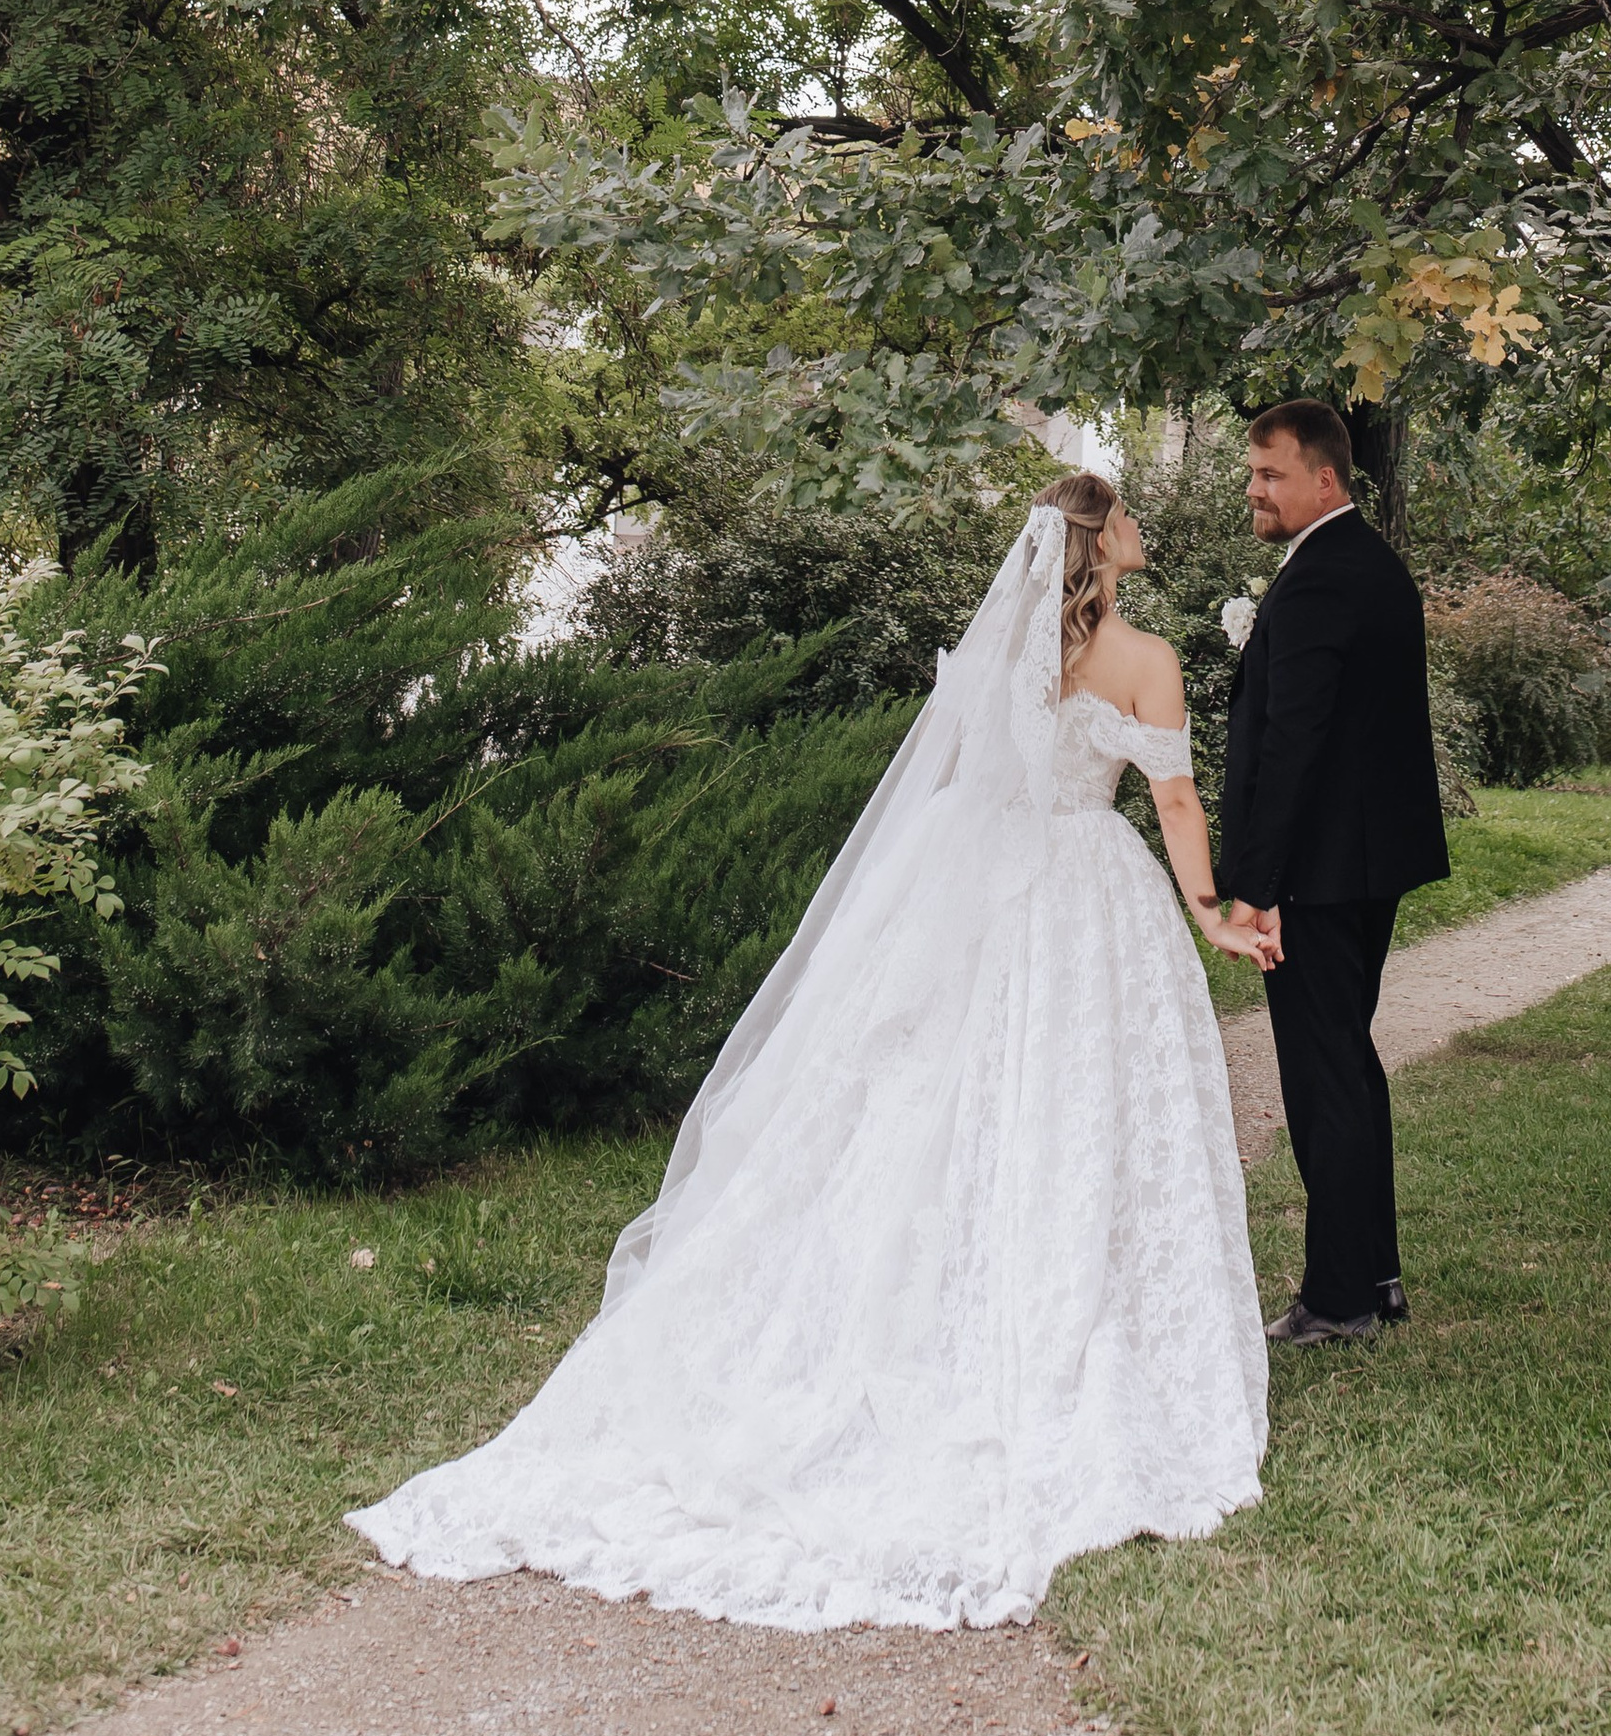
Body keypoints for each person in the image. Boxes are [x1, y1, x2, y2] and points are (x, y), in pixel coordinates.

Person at [348, 473, 1272, 1629]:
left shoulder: (995, 661)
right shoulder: (1144, 660)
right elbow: (1176, 805)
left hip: (979, 889)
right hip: (1085, 893)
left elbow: (963, 781)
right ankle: (1047, 1314)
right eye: (1126, 515)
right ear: (1102, 540)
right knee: (1070, 1107)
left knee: (937, 1101)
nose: (1140, 528)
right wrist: (1210, 912)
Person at [1215, 399, 1449, 1345]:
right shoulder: (1371, 566)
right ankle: (1375, 1274)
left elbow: (1294, 741)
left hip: (1316, 870)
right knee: (1347, 1062)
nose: (1254, 489)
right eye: (1252, 473)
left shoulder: (1319, 580)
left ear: (1325, 478)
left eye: (1270, 474)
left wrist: (1256, 884)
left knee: (1324, 1076)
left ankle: (1341, 1297)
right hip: (1367, 860)